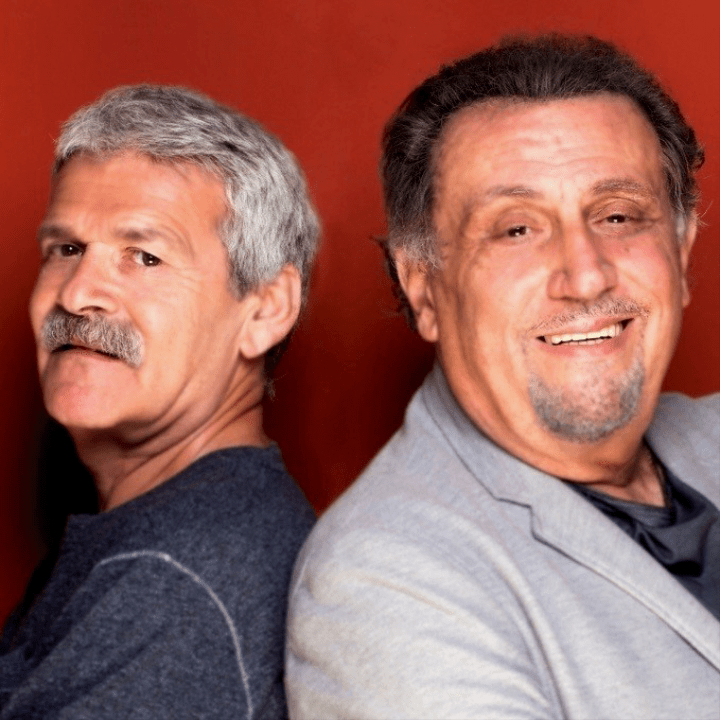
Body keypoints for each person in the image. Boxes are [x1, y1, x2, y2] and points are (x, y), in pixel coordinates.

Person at [286, 35, 719, 719]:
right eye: (516, 229)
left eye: (617, 215)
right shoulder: (385, 582)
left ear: (682, 248)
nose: (586, 275)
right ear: (423, 286)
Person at [0, 85, 319, 719]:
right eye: (66, 249)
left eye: (144, 257)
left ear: (266, 309)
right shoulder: (158, 534)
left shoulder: (173, 584)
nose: (78, 294)